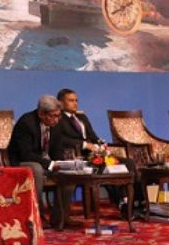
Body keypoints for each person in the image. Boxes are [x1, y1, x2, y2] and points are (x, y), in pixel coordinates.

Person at [54, 88, 142, 216]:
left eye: (76, 100)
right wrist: (85, 144)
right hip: (80, 156)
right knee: (103, 168)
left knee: (128, 163)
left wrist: (101, 144)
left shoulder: (81, 117)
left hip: (95, 154)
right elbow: (60, 139)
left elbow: (93, 136)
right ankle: (122, 204)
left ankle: (137, 202)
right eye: (71, 100)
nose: (75, 103)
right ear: (60, 103)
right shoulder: (57, 118)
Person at [8, 95, 70, 225]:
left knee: (69, 173)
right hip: (22, 162)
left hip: (44, 162)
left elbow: (57, 150)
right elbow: (25, 154)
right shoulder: (26, 123)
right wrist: (50, 164)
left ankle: (60, 218)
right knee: (36, 169)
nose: (56, 120)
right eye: (53, 116)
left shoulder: (56, 124)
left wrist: (62, 164)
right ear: (41, 113)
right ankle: (37, 217)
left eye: (58, 116)